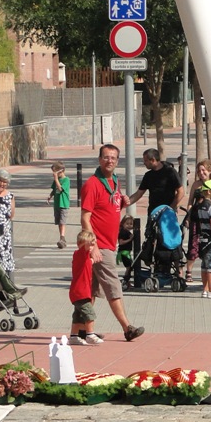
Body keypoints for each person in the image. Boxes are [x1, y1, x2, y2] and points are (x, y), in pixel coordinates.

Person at [81, 144, 144, 341]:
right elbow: (85, 218)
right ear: (99, 159)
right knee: (113, 287)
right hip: (100, 246)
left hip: (108, 243)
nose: (110, 161)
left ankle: (82, 330)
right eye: (106, 157)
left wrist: (123, 200)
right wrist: (94, 247)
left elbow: (113, 205)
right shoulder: (92, 184)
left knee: (89, 291)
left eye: (113, 158)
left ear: (117, 161)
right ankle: (127, 328)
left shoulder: (114, 181)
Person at [127, 148, 185, 228]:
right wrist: (124, 203)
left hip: (168, 213)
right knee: (151, 237)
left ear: (153, 160)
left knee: (167, 238)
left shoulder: (170, 172)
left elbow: (181, 191)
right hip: (153, 212)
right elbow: (138, 194)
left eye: (146, 160)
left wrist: (171, 207)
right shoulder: (148, 175)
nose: (144, 163)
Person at [69, 230, 103, 346]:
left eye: (93, 244)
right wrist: (88, 243)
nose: (92, 247)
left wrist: (94, 259)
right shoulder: (80, 254)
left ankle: (73, 336)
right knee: (90, 313)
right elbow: (84, 249)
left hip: (80, 293)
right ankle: (90, 335)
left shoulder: (86, 259)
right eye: (90, 244)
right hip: (80, 293)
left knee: (78, 317)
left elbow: (89, 262)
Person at [47, 161, 71, 249]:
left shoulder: (66, 180)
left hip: (63, 203)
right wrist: (50, 196)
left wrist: (56, 179)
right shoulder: (56, 180)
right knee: (58, 222)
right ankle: (61, 237)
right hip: (57, 203)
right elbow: (54, 189)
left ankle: (62, 238)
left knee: (62, 221)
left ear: (61, 171)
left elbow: (60, 189)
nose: (53, 174)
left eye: (55, 172)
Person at [118, 214, 135, 285]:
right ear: (123, 223)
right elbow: (121, 242)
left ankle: (127, 280)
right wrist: (130, 239)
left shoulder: (127, 232)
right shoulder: (123, 232)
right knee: (129, 266)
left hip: (126, 252)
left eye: (131, 224)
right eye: (127, 224)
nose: (129, 226)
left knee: (130, 266)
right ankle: (126, 279)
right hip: (123, 252)